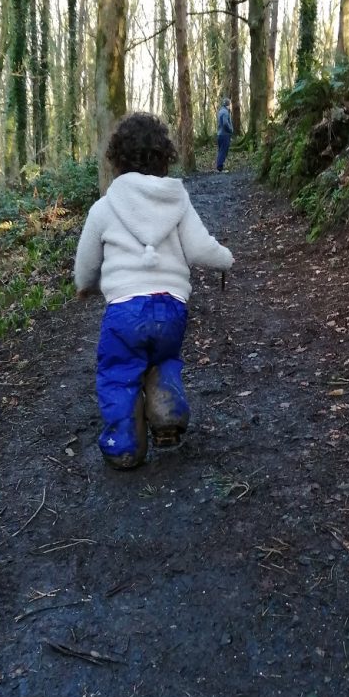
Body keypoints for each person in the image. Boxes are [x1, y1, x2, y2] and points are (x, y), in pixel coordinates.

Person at [74, 112, 234, 470]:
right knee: (163, 361)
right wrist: (225, 259)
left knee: (119, 371)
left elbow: (86, 263)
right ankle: (167, 415)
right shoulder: (177, 200)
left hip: (125, 312)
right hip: (171, 309)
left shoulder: (104, 208)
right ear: (165, 157)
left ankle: (124, 445)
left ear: (117, 159)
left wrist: (85, 286)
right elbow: (200, 248)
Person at [216, 97, 233, 172]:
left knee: (221, 151)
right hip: (224, 135)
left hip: (220, 134)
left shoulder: (220, 111)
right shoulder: (225, 112)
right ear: (228, 104)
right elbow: (225, 123)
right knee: (223, 151)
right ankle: (220, 168)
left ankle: (219, 167)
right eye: (230, 104)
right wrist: (230, 130)